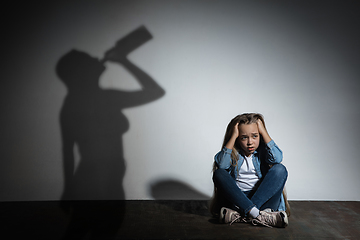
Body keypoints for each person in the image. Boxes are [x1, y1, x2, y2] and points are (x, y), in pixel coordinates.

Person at [210, 113, 290, 228]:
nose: (250, 142)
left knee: (280, 169)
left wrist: (263, 132)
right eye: (244, 137)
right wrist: (233, 136)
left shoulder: (263, 152)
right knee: (219, 173)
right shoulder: (234, 153)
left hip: (263, 199)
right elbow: (222, 164)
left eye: (255, 136)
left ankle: (244, 214)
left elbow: (277, 158)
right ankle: (258, 215)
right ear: (237, 138)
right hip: (238, 199)